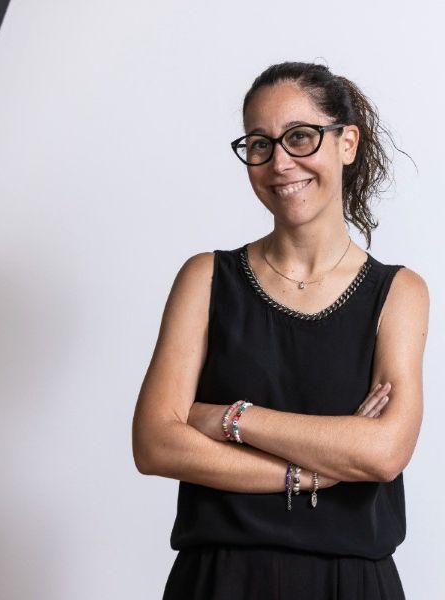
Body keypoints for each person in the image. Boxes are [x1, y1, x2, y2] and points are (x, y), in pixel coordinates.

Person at [132, 61, 429, 599]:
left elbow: (384, 452)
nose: (280, 162)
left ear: (346, 143)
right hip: (219, 581)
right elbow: (155, 443)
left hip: (351, 584)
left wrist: (229, 419)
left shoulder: (399, 292)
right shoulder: (206, 278)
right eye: (260, 144)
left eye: (300, 137)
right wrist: (313, 472)